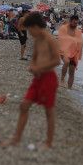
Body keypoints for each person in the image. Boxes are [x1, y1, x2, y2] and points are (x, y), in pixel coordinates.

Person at [7, 12, 60, 149]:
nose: (30, 33)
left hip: (48, 78)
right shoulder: (37, 41)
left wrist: (39, 67)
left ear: (36, 26)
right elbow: (35, 59)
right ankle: (16, 138)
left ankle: (49, 142)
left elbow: (56, 60)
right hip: (38, 79)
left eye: (30, 29)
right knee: (24, 105)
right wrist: (33, 67)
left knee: (49, 111)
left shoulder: (50, 39)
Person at [58, 15, 83, 90]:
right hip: (64, 51)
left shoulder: (78, 32)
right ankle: (62, 79)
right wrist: (72, 39)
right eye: (74, 22)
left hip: (74, 53)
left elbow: (81, 42)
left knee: (72, 72)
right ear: (70, 21)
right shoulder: (64, 28)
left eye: (76, 23)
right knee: (66, 62)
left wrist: (78, 53)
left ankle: (69, 89)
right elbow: (61, 38)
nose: (75, 24)